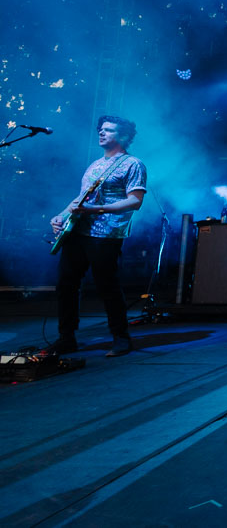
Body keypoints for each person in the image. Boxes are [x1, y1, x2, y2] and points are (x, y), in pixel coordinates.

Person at [47, 115, 147, 356]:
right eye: (101, 130)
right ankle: (66, 337)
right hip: (79, 230)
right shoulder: (94, 165)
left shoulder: (133, 164)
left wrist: (96, 210)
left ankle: (121, 337)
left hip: (106, 233)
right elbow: (80, 199)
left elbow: (135, 201)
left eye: (109, 130)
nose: (101, 133)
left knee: (107, 285)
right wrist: (60, 215)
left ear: (123, 136)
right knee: (66, 284)